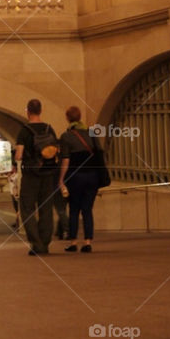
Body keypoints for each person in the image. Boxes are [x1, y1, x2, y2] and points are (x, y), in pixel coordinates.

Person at [14, 99, 59, 256]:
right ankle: (45, 243)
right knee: (46, 208)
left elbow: (19, 155)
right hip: (48, 174)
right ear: (41, 110)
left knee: (27, 208)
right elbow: (55, 150)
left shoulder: (24, 131)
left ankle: (36, 243)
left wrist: (18, 155)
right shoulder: (49, 129)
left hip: (31, 175)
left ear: (28, 111)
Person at [58, 106, 101, 253]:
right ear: (80, 116)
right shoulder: (92, 133)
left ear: (67, 118)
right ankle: (88, 242)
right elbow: (99, 154)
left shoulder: (66, 136)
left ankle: (74, 242)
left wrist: (61, 179)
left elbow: (65, 160)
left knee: (74, 210)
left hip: (75, 177)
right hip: (92, 176)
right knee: (87, 210)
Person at [7, 165, 20, 229]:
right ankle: (17, 221)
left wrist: (10, 177)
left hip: (16, 193)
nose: (11, 169)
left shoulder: (18, 175)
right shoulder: (13, 174)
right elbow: (9, 181)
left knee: (18, 208)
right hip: (12, 192)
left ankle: (18, 223)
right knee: (16, 208)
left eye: (13, 167)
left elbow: (16, 182)